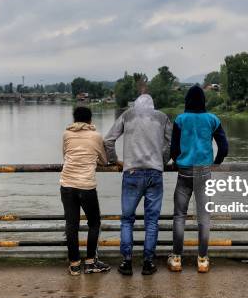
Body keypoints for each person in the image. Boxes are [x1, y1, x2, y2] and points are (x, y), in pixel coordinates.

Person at [104, 94, 172, 275]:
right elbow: (171, 143)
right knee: (152, 221)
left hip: (131, 172)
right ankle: (148, 263)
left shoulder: (128, 115)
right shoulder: (162, 117)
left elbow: (108, 140)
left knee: (127, 220)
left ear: (135, 105)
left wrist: (115, 161)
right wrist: (162, 162)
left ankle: (126, 262)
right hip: (155, 173)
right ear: (153, 105)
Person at [168, 85, 228, 273]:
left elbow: (174, 149)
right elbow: (224, 146)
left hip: (184, 171)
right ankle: (202, 260)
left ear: (187, 100)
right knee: (204, 217)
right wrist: (216, 162)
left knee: (179, 216)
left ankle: (177, 258)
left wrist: (178, 162)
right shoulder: (212, 119)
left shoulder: (180, 119)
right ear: (204, 100)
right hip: (204, 171)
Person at [60, 106, 111, 275]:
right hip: (86, 186)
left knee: (72, 225)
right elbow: (104, 160)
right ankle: (90, 262)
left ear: (74, 119)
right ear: (90, 120)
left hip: (67, 184)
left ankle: (74, 264)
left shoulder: (66, 134)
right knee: (94, 223)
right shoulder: (96, 136)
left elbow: (65, 155)